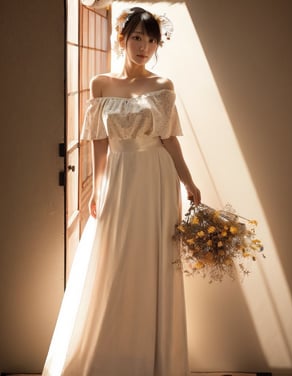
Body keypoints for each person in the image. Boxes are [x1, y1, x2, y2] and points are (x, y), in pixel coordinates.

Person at [42, 7, 201, 376]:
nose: (143, 46)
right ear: (122, 39)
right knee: (112, 257)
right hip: (120, 175)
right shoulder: (101, 84)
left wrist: (187, 181)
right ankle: (110, 355)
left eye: (150, 40)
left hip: (156, 179)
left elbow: (170, 140)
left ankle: (153, 358)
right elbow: (99, 141)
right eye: (136, 38)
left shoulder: (163, 86)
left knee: (154, 259)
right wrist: (98, 188)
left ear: (157, 44)